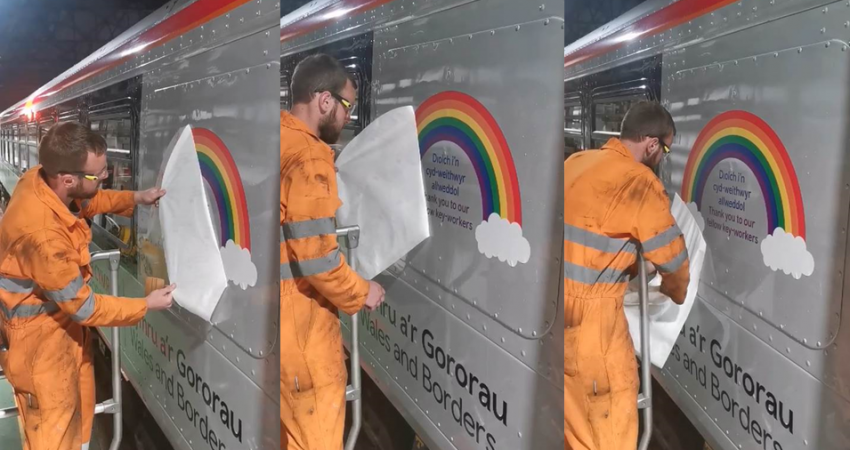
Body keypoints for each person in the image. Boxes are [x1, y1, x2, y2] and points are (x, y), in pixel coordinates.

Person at [0, 121, 175, 450]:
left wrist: (138, 197)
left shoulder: (42, 182)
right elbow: (84, 307)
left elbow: (88, 200)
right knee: (52, 435)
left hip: (58, 333)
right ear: (67, 179)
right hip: (41, 350)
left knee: (76, 426)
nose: (107, 175)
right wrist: (146, 304)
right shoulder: (42, 236)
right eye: (100, 173)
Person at [563, 101, 690, 450]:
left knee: (574, 431)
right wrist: (674, 292)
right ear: (651, 145)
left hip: (559, 318)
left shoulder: (576, 163)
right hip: (596, 333)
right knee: (610, 434)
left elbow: (590, 242)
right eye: (664, 149)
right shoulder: (639, 182)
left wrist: (632, 266)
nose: (662, 157)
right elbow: (674, 260)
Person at [279, 53, 386, 450]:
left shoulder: (280, 138)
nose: (347, 117)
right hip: (303, 332)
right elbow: (319, 261)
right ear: (324, 101)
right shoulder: (308, 157)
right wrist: (363, 291)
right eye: (347, 107)